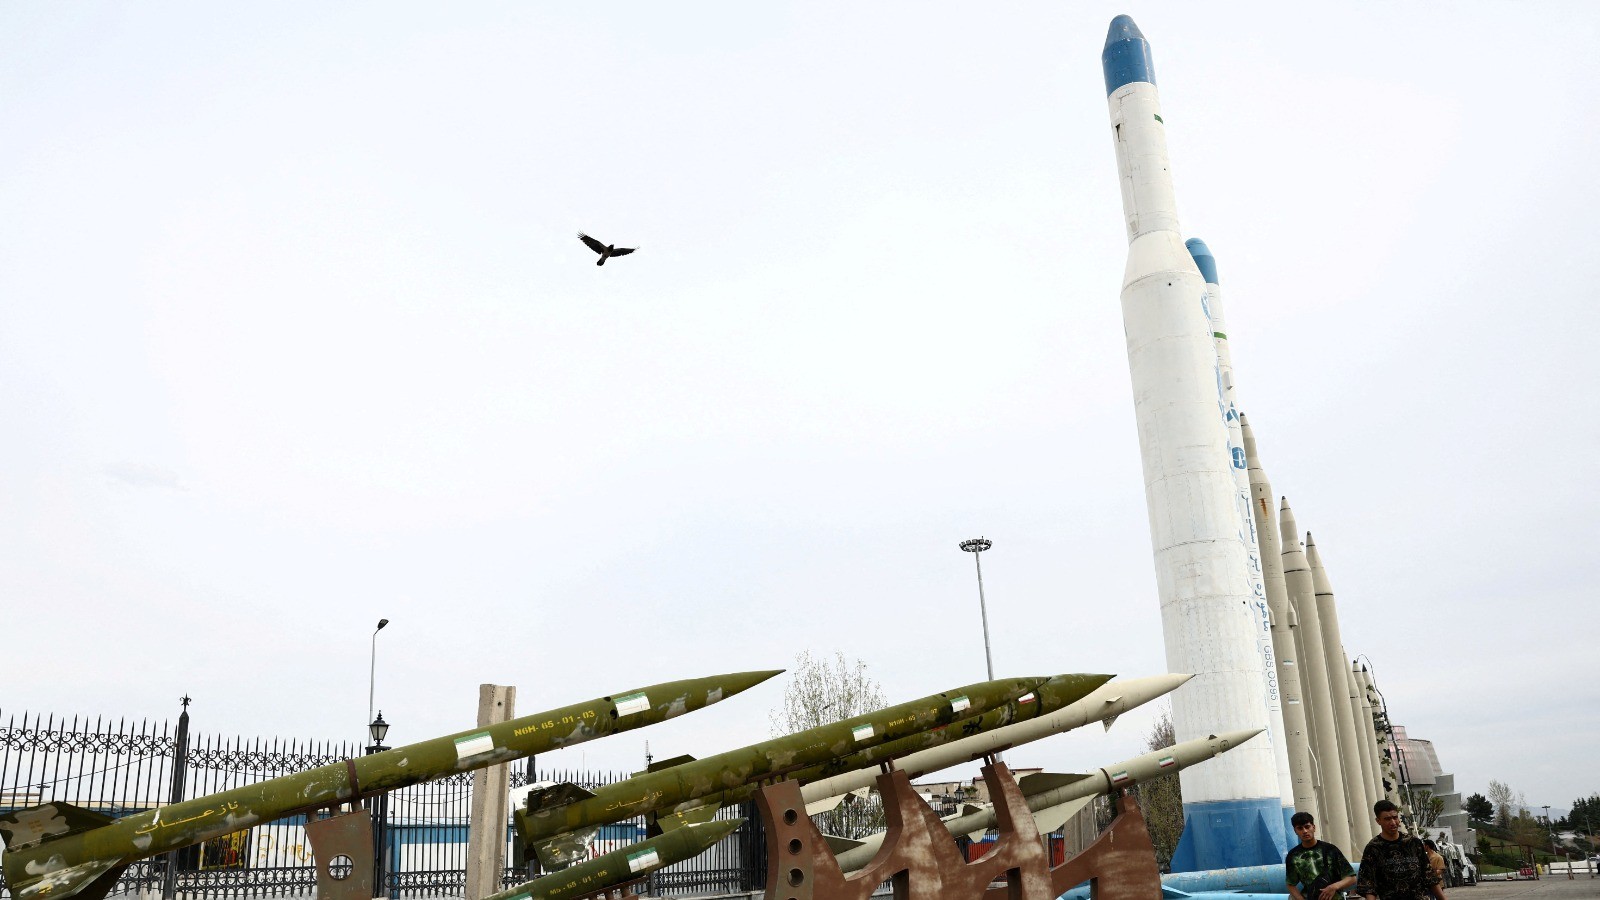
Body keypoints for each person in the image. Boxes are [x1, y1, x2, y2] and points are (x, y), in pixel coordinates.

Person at [1356, 800, 1446, 900]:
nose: (1393, 823)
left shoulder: (1413, 843)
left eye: (1395, 817)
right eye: (1387, 819)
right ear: (1378, 821)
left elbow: (1429, 876)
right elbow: (1368, 885)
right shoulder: (1373, 848)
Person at [1287, 811, 1357, 900]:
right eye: (1300, 828)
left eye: (1307, 827)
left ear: (1314, 827)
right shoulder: (1293, 856)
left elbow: (1352, 878)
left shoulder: (1330, 850)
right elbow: (1290, 884)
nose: (1305, 831)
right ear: (1295, 831)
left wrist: (1333, 887)